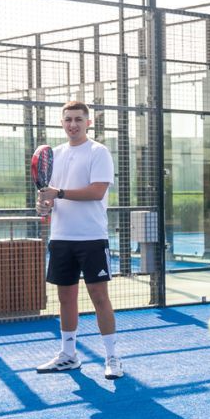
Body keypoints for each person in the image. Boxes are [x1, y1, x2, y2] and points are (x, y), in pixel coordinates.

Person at [35, 100, 122, 379]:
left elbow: (97, 192)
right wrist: (45, 205)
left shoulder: (99, 152)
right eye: (68, 119)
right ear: (62, 123)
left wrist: (57, 193)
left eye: (78, 119)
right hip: (61, 238)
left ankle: (112, 358)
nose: (73, 124)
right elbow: (50, 196)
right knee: (65, 298)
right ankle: (69, 355)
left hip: (92, 237)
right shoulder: (55, 154)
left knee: (99, 297)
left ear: (88, 122)